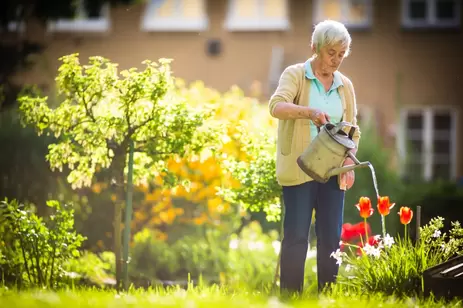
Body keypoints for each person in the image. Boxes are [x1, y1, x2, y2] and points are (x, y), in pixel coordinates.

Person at [268, 20, 361, 294]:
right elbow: (276, 106)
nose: (336, 60)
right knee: (297, 237)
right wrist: (308, 112)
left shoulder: (345, 85)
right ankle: (290, 297)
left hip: (332, 170)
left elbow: (352, 129)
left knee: (331, 238)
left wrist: (348, 160)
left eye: (341, 55)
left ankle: (328, 297)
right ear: (315, 48)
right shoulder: (296, 74)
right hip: (300, 168)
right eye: (331, 53)